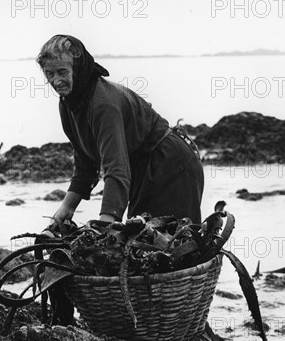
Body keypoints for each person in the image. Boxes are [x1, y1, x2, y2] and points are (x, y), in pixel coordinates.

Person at [37, 34, 204, 225]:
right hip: (142, 168)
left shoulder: (103, 104)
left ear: (77, 68)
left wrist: (106, 223)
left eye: (62, 72)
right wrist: (66, 207)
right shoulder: (69, 103)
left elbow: (116, 167)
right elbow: (85, 163)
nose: (56, 81)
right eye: (50, 74)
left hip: (170, 164)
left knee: (168, 242)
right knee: (141, 241)